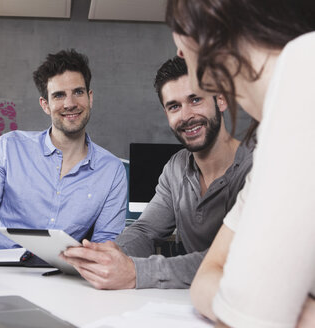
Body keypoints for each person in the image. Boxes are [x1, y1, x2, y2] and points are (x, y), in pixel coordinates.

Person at [165, 0, 315, 327]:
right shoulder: (269, 144)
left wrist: (262, 304)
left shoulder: (306, 63)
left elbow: (251, 317)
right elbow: (209, 277)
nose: (179, 54)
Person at [61, 56, 253, 290]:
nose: (186, 115)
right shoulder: (176, 167)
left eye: (195, 100)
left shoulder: (257, 168)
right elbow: (145, 230)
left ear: (220, 100)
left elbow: (236, 259)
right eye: (174, 106)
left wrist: (136, 272)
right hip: (196, 303)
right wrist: (112, 254)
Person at [0, 49, 127, 254]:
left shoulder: (112, 171)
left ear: (90, 98)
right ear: (45, 105)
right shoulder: (8, 148)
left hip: (63, 276)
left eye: (78, 92)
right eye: (59, 95)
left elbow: (106, 242)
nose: (70, 103)